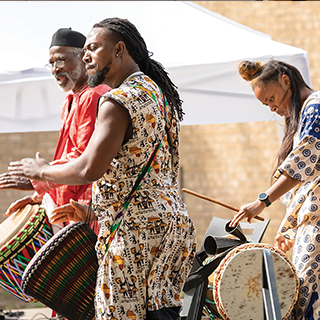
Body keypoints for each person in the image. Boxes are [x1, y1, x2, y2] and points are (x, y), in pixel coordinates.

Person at [9, 18, 196, 320]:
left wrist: (41, 172)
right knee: (161, 315)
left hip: (134, 233)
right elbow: (142, 169)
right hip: (171, 226)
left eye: (93, 49)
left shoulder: (117, 100)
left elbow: (88, 168)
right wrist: (91, 210)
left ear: (119, 49)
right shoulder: (158, 95)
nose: (86, 57)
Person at [230, 59, 318, 319]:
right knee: (303, 295)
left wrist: (261, 202)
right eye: (266, 104)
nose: (273, 108)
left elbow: (303, 163)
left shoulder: (315, 107)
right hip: (311, 221)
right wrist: (290, 227)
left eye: (271, 99)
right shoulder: (304, 115)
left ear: (285, 80)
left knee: (306, 298)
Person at [0, 28, 109, 232]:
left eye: (61, 60)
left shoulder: (94, 95)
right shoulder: (71, 99)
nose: (55, 69)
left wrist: (40, 178)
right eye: (51, 64)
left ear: (84, 58)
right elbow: (68, 158)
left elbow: (84, 158)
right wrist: (38, 195)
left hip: (90, 214)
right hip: (73, 211)